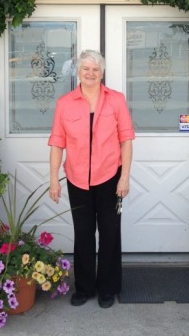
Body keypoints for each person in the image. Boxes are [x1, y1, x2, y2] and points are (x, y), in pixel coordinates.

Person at [48, 49, 135, 308]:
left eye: (95, 69)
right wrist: (54, 178)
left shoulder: (116, 100)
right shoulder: (65, 103)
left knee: (109, 233)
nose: (90, 73)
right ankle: (84, 288)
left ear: (102, 73)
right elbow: (56, 143)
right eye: (86, 68)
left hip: (110, 177)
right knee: (83, 234)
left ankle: (108, 288)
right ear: (78, 72)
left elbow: (126, 140)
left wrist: (125, 177)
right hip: (77, 179)